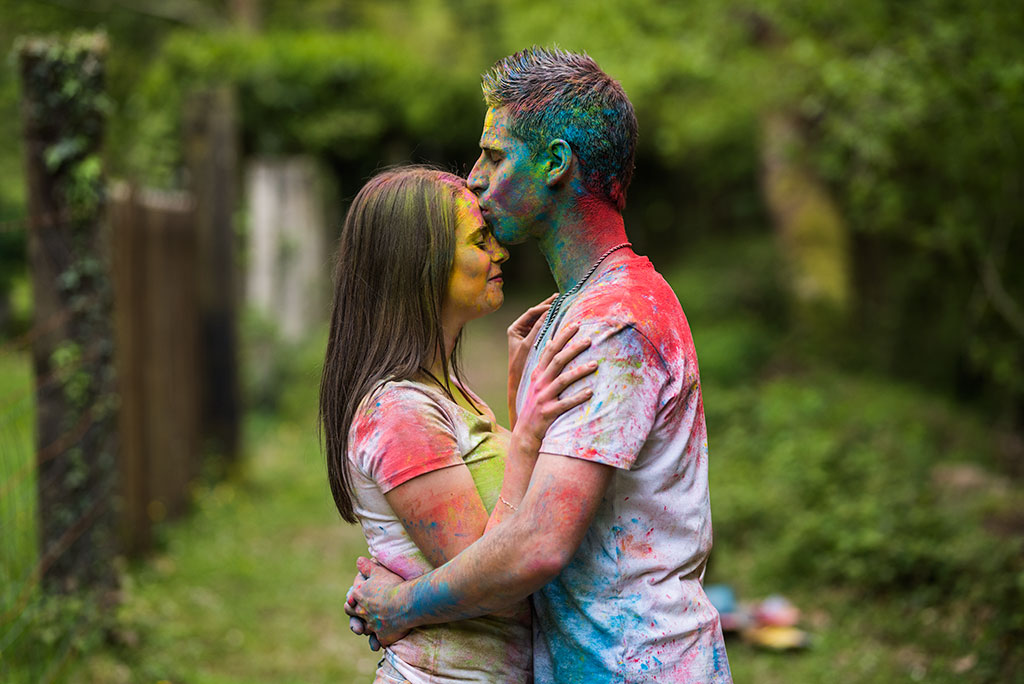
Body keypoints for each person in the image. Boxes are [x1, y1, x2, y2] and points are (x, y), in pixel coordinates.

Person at [346, 48, 733, 682]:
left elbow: (536, 546)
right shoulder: (571, 312)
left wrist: (400, 605)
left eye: (494, 156)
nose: (473, 176)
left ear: (555, 163)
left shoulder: (616, 324)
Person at [319, 166, 598, 683]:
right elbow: (490, 579)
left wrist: (517, 403)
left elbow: (502, 510)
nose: (501, 253)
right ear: (420, 264)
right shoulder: (400, 411)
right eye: (479, 240)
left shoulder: (443, 390)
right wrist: (529, 434)